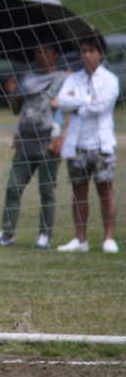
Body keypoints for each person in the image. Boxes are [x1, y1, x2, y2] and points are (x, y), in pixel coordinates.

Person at [0, 44, 67, 249]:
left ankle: (44, 235)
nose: (41, 55)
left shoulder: (63, 79)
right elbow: (16, 109)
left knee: (46, 190)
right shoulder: (27, 78)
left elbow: (70, 109)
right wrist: (12, 92)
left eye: (46, 51)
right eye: (37, 51)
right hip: (26, 140)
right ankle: (7, 234)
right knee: (13, 187)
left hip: (48, 140)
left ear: (56, 54)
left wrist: (61, 137)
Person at [55, 30, 119, 253]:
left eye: (91, 50)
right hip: (77, 144)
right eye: (83, 51)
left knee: (105, 191)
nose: (86, 55)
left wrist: (78, 102)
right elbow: (62, 101)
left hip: (101, 144)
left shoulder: (110, 79)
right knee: (79, 193)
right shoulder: (73, 78)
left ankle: (108, 238)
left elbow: (101, 106)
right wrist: (86, 101)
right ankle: (80, 239)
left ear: (100, 53)